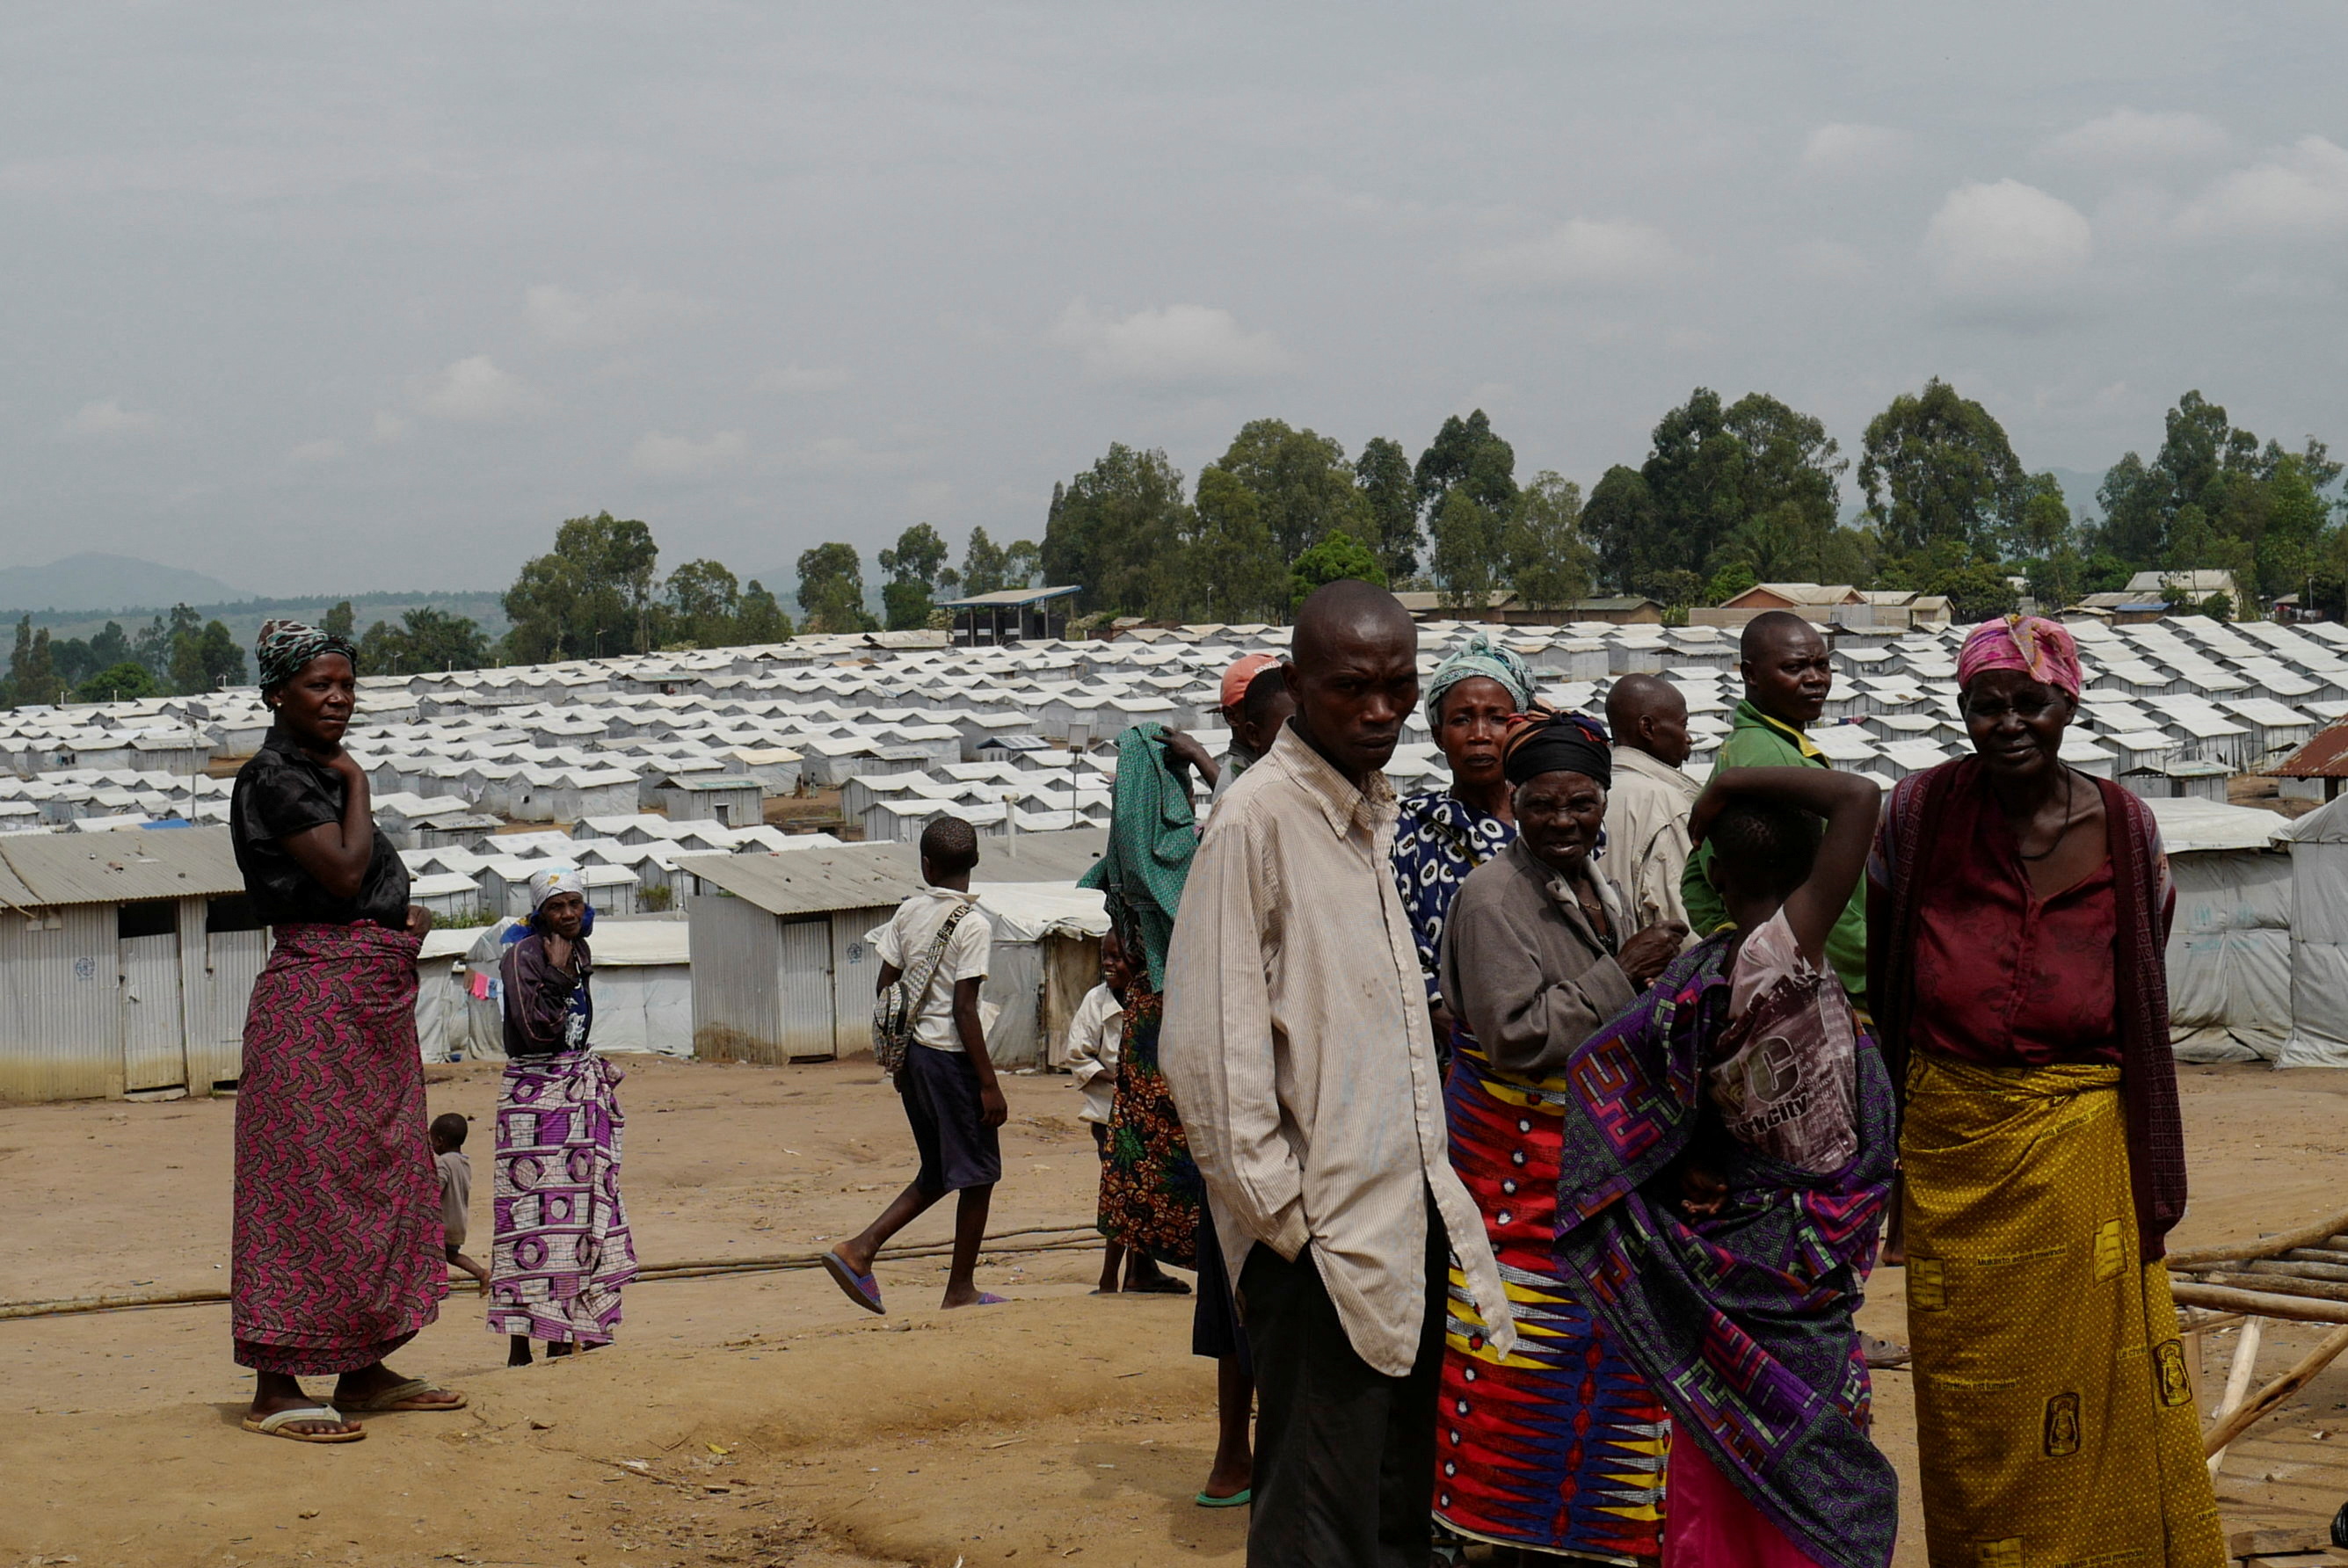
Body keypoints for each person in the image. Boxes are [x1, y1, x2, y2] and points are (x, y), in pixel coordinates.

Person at [1161, 579, 1516, 1567]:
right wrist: (1287, 1226)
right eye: (1351, 688)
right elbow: (1208, 1057)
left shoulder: (1366, 817)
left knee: (1390, 1511)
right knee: (1317, 1526)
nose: (1379, 711)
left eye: (1398, 688)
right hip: (1316, 1243)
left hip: (1397, 1221)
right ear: (1298, 684)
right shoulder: (1256, 822)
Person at [1869, 616, 2223, 1564]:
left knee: (2088, 1376)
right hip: (1951, 1144)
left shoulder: (2125, 827)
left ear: (2067, 705)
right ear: (1962, 712)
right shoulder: (1917, 814)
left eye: (2031, 703)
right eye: (1986, 705)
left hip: (2075, 1141)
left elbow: (2140, 962)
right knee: (1970, 1390)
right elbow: (1886, 957)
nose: (2009, 723)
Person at [1550, 764, 1900, 1568]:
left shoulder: (1699, 975)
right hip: (1798, 1254)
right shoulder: (1780, 954)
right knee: (1814, 1446)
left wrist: (1690, 1157)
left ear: (1712, 876)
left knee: (1726, 1434)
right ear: (1813, 871)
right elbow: (1857, 796)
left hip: (1736, 1244)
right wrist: (1728, 780)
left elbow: (1624, 1081)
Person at [1428, 710, 1686, 1564]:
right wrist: (1624, 972)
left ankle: (1574, 1534)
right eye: (1543, 804)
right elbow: (1513, 1035)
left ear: (1603, 802)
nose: (1564, 820)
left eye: (1581, 803)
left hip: (1576, 1178)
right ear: (1515, 803)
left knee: (1589, 1355)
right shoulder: (1491, 898)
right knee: (1516, 1356)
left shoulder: (1592, 884)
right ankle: (1507, 1532)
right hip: (1518, 1180)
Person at [229, 620, 462, 1443]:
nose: (338, 699)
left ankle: (362, 1369)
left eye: (347, 685)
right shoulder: (279, 778)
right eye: (319, 685)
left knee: (377, 1177)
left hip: (364, 1006)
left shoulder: (310, 773)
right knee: (304, 1187)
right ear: (276, 694)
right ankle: (276, 1388)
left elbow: (358, 890)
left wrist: (399, 918)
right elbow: (343, 872)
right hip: (316, 1011)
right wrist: (358, 778)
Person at [824, 816, 1007, 1312]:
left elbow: (886, 988)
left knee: (939, 1170)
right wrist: (989, 1084)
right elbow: (964, 1010)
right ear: (975, 862)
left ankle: (859, 1251)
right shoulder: (973, 924)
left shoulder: (907, 912)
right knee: (979, 1174)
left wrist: (899, 1058)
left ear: (926, 866)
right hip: (951, 1061)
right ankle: (958, 1288)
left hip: (915, 1058)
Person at [1681, 612, 1865, 1006]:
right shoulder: (1774, 760)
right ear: (1750, 674)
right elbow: (1828, 899)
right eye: (1794, 668)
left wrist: (1734, 943)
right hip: (1827, 982)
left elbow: (1695, 879)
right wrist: (1868, 972)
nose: (1815, 679)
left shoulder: (1746, 748)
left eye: (1822, 665)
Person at [490, 867, 636, 1367]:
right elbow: (535, 1031)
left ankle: (564, 1334)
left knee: (578, 1218)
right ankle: (520, 1344)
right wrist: (554, 975)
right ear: (540, 913)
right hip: (534, 1099)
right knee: (527, 1219)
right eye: (557, 906)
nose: (569, 914)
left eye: (575, 903)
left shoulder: (578, 951)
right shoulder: (523, 956)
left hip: (574, 1090)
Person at [1390, 633, 1533, 1058]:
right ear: (1438, 735)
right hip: (1448, 1053)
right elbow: (1394, 936)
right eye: (1462, 720)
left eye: (1496, 719)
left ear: (1519, 726)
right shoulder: (1408, 827)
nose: (1479, 735)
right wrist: (1437, 1007)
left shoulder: (1557, 823)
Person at [1063, 928, 1147, 1294]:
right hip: (1108, 1116)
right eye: (1105, 957)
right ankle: (1109, 1278)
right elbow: (1078, 1054)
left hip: (1147, 1115)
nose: (1109, 964)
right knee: (1121, 1193)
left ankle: (1140, 1272)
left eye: (1118, 957)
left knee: (1143, 1194)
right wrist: (1119, 1079)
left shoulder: (1151, 1001)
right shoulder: (1096, 1002)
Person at [1603, 673, 1700, 935]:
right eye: (1683, 725)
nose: (1688, 738)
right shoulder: (1666, 804)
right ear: (1647, 728)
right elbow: (1683, 925)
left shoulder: (1597, 789)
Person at [430, 1114, 489, 1289]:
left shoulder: (443, 1163)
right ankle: (481, 1273)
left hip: (444, 1222)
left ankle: (430, 1284)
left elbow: (436, 1188)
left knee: (428, 1251)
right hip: (458, 1221)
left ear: (439, 1141)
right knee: (452, 1254)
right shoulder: (464, 1162)